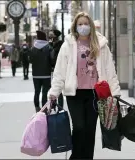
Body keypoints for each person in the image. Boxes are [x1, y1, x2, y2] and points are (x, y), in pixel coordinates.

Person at [48, 12, 121, 159]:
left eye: (86, 24)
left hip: (95, 94)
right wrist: (54, 92)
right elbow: (60, 71)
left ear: (91, 26)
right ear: (75, 26)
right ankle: (76, 157)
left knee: (90, 130)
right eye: (80, 24)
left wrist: (115, 93)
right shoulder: (68, 44)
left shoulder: (101, 45)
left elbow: (109, 70)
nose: (83, 27)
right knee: (79, 127)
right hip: (75, 94)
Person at [30, 30, 55, 112]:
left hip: (36, 74)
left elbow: (30, 59)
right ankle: (44, 108)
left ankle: (37, 107)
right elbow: (52, 60)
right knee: (45, 92)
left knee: (37, 91)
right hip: (46, 74)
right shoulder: (49, 48)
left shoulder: (33, 49)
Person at [49, 29, 64, 107]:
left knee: (59, 89)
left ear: (56, 36)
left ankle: (60, 107)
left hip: (58, 68)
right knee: (52, 87)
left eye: (52, 35)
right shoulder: (50, 44)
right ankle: (53, 104)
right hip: (51, 69)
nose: (50, 36)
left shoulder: (61, 44)